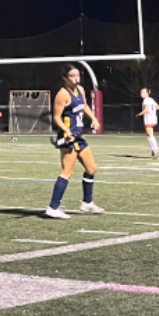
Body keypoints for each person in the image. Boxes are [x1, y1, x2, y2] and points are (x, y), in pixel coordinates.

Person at [45, 64, 103, 219]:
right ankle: (53, 207)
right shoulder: (62, 94)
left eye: (78, 75)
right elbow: (57, 117)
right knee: (67, 172)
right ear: (65, 78)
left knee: (91, 168)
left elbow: (84, 106)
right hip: (68, 138)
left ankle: (87, 203)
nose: (76, 78)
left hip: (78, 136)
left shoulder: (81, 90)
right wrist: (66, 130)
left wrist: (94, 119)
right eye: (72, 76)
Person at [137, 88, 159, 158]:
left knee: (150, 134)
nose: (141, 94)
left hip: (149, 118)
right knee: (148, 134)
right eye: (141, 92)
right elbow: (158, 107)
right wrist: (152, 111)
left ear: (147, 93)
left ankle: (155, 148)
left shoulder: (146, 100)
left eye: (143, 92)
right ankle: (154, 149)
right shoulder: (151, 99)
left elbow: (146, 109)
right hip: (153, 118)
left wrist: (139, 114)